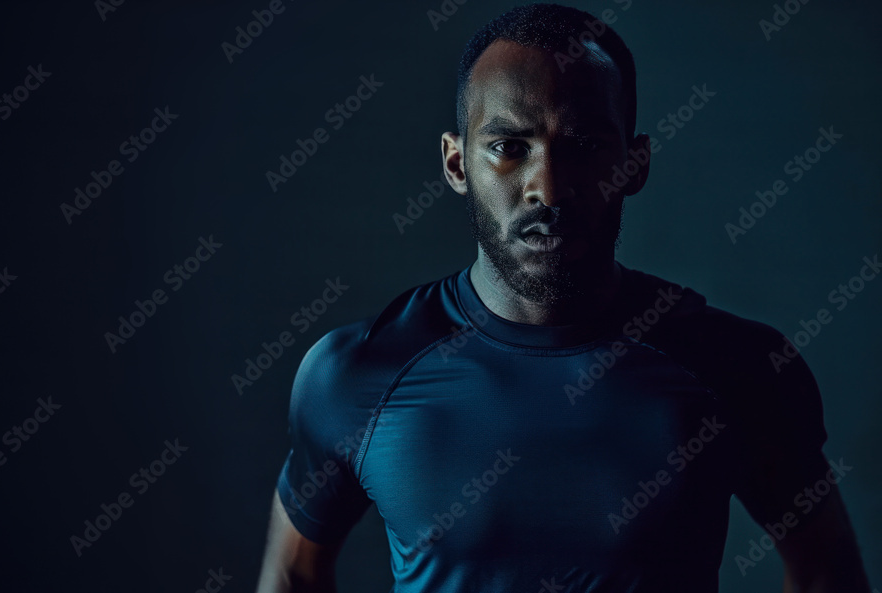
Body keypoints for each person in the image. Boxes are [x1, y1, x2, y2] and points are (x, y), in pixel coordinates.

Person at [255, 4, 871, 592]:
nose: (547, 189)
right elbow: (291, 576)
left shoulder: (739, 367)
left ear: (634, 163)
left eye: (583, 146)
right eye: (508, 147)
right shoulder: (358, 375)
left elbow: (829, 575)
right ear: (456, 162)